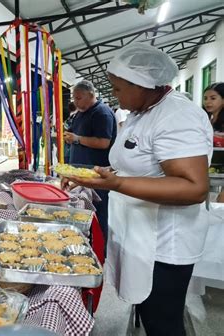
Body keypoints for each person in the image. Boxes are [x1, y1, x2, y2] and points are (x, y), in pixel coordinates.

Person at [64, 43, 213, 335]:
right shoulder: (141, 113)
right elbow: (139, 166)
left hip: (163, 245)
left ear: (143, 85)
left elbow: (194, 188)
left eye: (118, 89)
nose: (114, 96)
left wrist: (117, 183)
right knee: (149, 314)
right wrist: (99, 174)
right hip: (140, 236)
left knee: (163, 322)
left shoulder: (176, 116)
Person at [64, 80, 117, 243]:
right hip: (80, 172)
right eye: (74, 98)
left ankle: (100, 249)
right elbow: (74, 133)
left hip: (96, 174)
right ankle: (85, 242)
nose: (75, 102)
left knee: (97, 214)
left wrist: (78, 139)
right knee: (83, 213)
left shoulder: (101, 113)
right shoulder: (81, 112)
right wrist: (69, 137)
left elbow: (103, 142)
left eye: (79, 98)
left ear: (91, 95)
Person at [203, 82, 224, 203]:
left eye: (213, 98)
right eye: (205, 98)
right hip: (210, 169)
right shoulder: (206, 120)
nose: (207, 102)